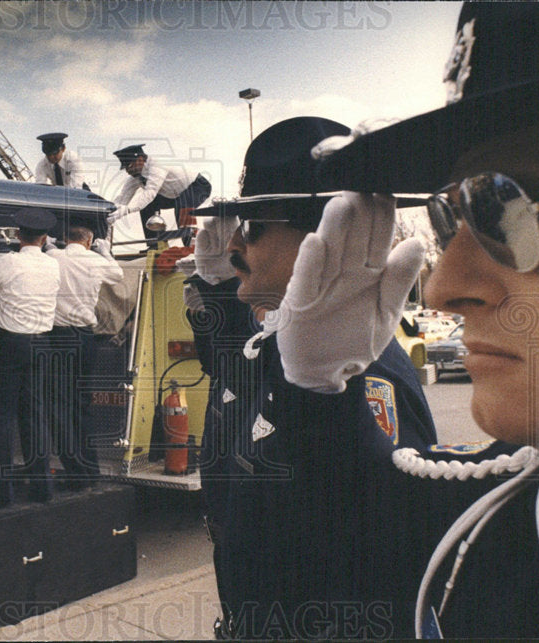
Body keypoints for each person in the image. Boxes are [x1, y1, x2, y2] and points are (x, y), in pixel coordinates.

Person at [265, 3, 539, 638]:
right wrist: (320, 392)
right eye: (451, 216)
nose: (442, 287)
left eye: (502, 207)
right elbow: (360, 564)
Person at [186, 116, 438, 638]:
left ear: (326, 241)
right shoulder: (282, 342)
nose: (234, 245)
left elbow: (382, 548)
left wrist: (324, 396)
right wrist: (215, 285)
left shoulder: (358, 375)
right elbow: (237, 368)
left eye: (252, 229)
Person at [0, 208, 61, 506]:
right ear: (44, 238)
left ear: (17, 235)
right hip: (41, 343)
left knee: (1, 416)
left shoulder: (7, 262)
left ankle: (1, 491)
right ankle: (42, 486)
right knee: (35, 416)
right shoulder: (53, 265)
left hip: (9, 342)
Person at [43, 225, 124, 485]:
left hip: (57, 336)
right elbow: (118, 275)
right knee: (83, 403)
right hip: (84, 337)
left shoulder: (54, 257)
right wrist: (105, 252)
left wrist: (52, 245)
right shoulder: (96, 260)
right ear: (89, 241)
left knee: (59, 403)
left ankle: (74, 469)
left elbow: (47, 250)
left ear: (67, 239)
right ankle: (91, 468)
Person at [107, 144, 212, 242]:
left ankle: (190, 245)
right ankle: (154, 243)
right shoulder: (136, 176)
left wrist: (128, 209)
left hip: (197, 187)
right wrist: (108, 212)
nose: (128, 171)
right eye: (125, 168)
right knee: (146, 206)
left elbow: (150, 192)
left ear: (140, 160)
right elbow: (122, 198)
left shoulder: (157, 165)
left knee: (182, 207)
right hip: (172, 195)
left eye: (129, 166)